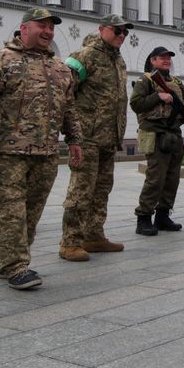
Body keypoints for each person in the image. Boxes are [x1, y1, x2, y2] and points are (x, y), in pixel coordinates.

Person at [0, 8, 83, 290]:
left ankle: (12, 260)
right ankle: (16, 266)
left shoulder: (59, 68)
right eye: (41, 26)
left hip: (46, 153)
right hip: (9, 152)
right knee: (11, 210)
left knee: (33, 209)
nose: (47, 32)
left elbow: (69, 108)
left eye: (51, 28)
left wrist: (75, 139)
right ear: (24, 28)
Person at [58, 14, 131, 262]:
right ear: (102, 29)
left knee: (101, 189)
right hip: (87, 137)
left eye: (125, 32)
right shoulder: (85, 55)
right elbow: (64, 91)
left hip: (109, 137)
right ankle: (70, 241)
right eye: (117, 31)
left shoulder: (118, 60)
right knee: (81, 191)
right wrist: (72, 133)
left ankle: (93, 235)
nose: (121, 36)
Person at [132, 46, 184, 235]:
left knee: (171, 178)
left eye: (168, 58)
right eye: (162, 58)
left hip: (173, 134)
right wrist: (158, 96)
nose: (166, 60)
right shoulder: (146, 80)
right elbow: (136, 104)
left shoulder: (175, 81)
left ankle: (163, 215)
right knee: (155, 179)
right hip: (155, 134)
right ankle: (143, 218)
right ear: (153, 61)